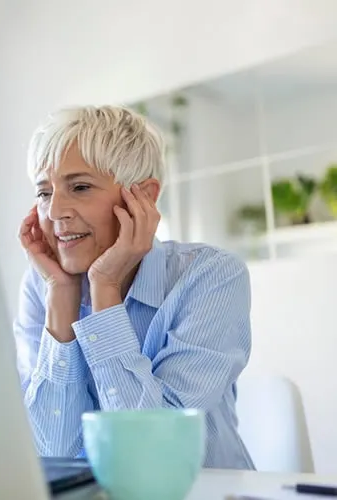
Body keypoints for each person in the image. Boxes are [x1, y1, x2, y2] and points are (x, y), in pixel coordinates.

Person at [14, 105, 255, 470]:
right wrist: (61, 299)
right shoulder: (44, 285)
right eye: (45, 193)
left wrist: (105, 288)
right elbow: (51, 452)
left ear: (143, 196)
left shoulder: (212, 275)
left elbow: (154, 452)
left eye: (79, 187)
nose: (55, 211)